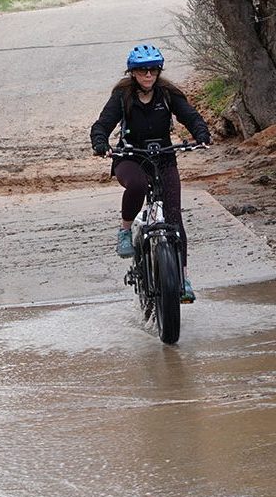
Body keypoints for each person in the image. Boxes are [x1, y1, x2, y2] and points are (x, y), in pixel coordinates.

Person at [90, 44, 212, 303]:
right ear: (132, 73)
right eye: (143, 70)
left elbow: (190, 116)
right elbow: (102, 124)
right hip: (130, 157)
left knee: (174, 220)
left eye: (153, 70)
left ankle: (183, 279)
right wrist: (100, 143)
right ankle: (125, 231)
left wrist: (201, 133)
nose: (148, 75)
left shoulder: (167, 94)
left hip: (164, 157)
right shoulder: (122, 95)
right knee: (136, 185)